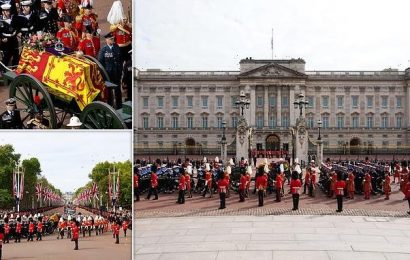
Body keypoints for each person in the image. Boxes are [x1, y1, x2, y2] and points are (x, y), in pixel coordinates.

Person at [98, 32, 123, 108]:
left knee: (118, 91)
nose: (112, 40)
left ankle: (119, 106)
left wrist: (120, 70)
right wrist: (104, 75)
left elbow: (120, 60)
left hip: (117, 73)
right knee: (109, 92)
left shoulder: (116, 47)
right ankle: (110, 106)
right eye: (111, 39)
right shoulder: (103, 50)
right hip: (108, 74)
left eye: (113, 38)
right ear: (107, 40)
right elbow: (100, 63)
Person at [0, 3, 19, 69]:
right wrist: (2, 38)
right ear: (3, 12)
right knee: (6, 58)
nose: (8, 13)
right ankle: (2, 72)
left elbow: (17, 27)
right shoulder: (0, 21)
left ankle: (15, 71)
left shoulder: (13, 18)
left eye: (9, 11)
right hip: (6, 42)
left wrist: (18, 33)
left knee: (16, 57)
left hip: (14, 41)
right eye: (7, 11)